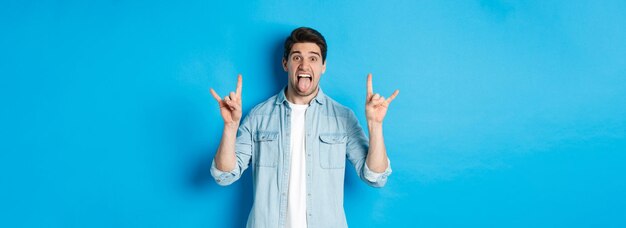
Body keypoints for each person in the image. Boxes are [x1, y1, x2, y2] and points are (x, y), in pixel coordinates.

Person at [209, 27, 399, 228]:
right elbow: (224, 175)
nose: (304, 65)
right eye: (297, 57)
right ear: (285, 63)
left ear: (323, 66)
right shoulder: (258, 116)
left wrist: (375, 125)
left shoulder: (343, 118)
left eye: (313, 58)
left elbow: (375, 176)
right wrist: (230, 127)